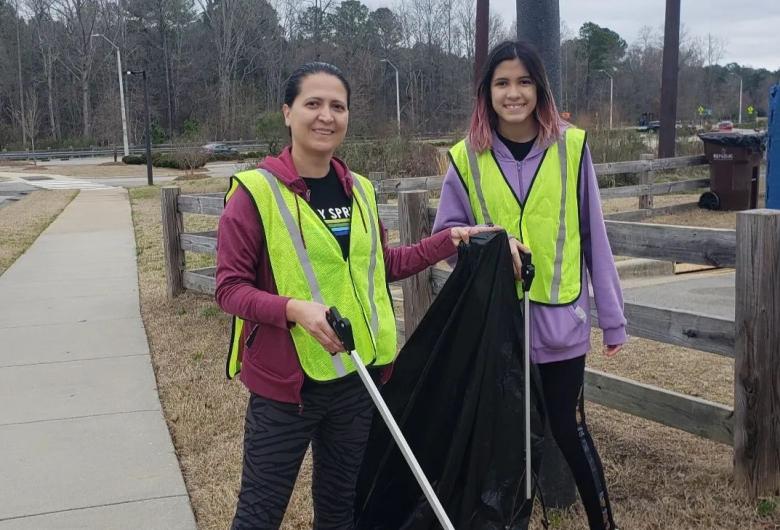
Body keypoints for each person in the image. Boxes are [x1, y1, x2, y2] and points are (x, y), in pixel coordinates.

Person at [215, 62, 493, 530]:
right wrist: (293, 310)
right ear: (287, 112)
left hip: (355, 379)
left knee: (341, 510)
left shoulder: (360, 189)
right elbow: (229, 288)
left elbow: (382, 266)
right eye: (313, 104)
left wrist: (452, 239)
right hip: (287, 389)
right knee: (259, 515)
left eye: (337, 106)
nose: (326, 116)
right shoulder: (255, 193)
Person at [432, 40, 627, 530]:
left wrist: (613, 319)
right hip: (497, 325)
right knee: (504, 436)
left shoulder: (572, 147)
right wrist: (493, 243)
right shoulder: (465, 157)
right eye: (502, 83)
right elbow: (446, 235)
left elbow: (593, 236)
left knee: (568, 427)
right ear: (487, 91)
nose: (513, 93)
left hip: (562, 321)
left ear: (540, 88)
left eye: (523, 82)